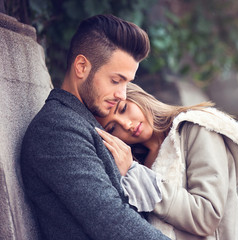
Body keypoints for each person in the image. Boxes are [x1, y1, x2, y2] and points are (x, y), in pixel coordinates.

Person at [20, 15, 170, 240]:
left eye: (127, 83)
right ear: (82, 67)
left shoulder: (80, 122)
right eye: (116, 80)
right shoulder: (57, 129)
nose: (122, 95)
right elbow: (112, 222)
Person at [95, 83, 238, 240]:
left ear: (137, 97)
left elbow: (207, 215)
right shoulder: (135, 164)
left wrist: (137, 175)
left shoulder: (196, 129)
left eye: (123, 109)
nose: (127, 124)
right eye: (112, 128)